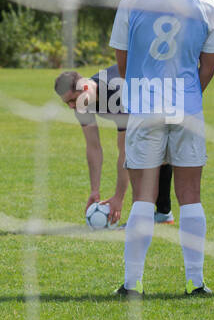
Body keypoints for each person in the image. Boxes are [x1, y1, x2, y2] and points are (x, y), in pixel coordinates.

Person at [109, 0, 214, 297]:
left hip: (144, 103)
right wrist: (189, 91)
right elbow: (210, 63)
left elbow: (123, 63)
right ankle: (196, 282)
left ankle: (132, 283)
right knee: (191, 195)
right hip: (186, 104)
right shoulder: (206, 4)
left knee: (144, 195)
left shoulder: (131, 1)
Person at [53, 66, 175, 225]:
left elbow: (125, 151)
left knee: (151, 155)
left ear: (84, 87)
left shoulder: (116, 93)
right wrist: (94, 191)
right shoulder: (81, 104)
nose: (71, 106)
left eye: (72, 100)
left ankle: (154, 216)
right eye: (66, 103)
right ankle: (161, 215)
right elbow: (93, 147)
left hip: (160, 96)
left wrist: (119, 197)